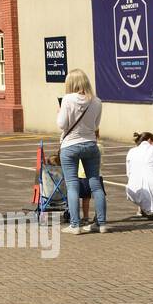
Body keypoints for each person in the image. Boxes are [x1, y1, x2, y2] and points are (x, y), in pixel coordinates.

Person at [57, 69, 106, 234]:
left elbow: (62, 124)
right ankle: (101, 223)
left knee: (72, 185)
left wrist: (59, 113)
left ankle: (75, 224)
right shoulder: (97, 101)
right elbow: (96, 125)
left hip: (70, 145)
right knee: (95, 184)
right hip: (90, 144)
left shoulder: (67, 99)